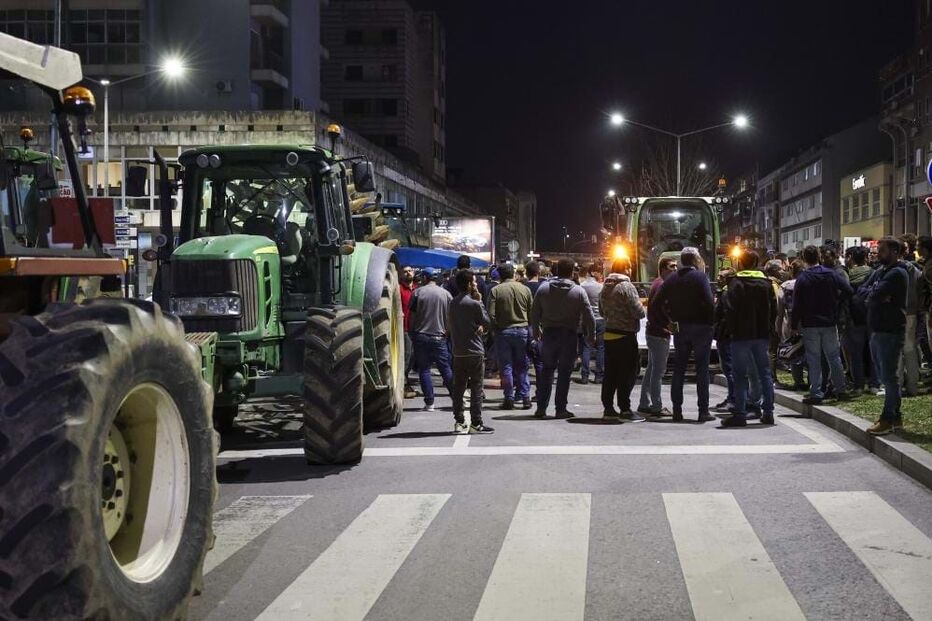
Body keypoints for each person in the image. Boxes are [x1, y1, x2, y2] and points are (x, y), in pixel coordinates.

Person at [652, 247, 716, 422]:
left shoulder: (672, 278)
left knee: (679, 369)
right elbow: (710, 303)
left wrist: (667, 322)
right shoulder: (701, 277)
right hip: (702, 328)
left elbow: (656, 303)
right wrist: (712, 323)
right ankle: (703, 411)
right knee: (702, 369)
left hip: (680, 328)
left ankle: (677, 411)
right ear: (696, 260)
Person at [530, 258, 596, 418]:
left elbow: (534, 311)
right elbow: (589, 315)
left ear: (556, 270)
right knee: (564, 373)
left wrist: (536, 329)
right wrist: (591, 334)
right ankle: (560, 409)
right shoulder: (578, 291)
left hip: (549, 334)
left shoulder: (543, 289)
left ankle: (541, 408)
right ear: (572, 272)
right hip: (569, 335)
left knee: (547, 371)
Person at [791, 245, 853, 405]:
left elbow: (796, 304)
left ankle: (816, 393)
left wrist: (793, 325)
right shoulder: (831, 274)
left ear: (804, 258)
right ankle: (841, 389)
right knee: (834, 357)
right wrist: (836, 302)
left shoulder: (803, 278)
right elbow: (848, 289)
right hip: (829, 321)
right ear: (818, 256)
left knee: (814, 358)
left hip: (810, 323)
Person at [721, 251, 777, 427]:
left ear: (740, 263)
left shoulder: (736, 283)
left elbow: (729, 310)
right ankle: (768, 412)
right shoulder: (767, 284)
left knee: (740, 375)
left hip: (740, 335)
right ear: (756, 262)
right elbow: (773, 310)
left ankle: (740, 413)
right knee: (765, 373)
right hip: (761, 335)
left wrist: (730, 330)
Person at [864, 238, 909, 435]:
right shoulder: (880, 271)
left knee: (889, 377)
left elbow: (873, 295)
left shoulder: (897, 273)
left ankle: (887, 419)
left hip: (890, 330)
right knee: (886, 376)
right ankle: (896, 417)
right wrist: (876, 294)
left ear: (894, 251)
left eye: (881, 250)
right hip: (878, 329)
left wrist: (875, 294)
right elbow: (862, 291)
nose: (878, 254)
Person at [448, 269, 494, 434]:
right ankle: (476, 423)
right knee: (476, 388)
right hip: (475, 351)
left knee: (458, 389)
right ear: (468, 284)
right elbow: (487, 322)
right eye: (473, 282)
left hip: (458, 351)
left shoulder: (452, 303)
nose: (475, 284)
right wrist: (480, 301)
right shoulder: (474, 303)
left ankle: (459, 421)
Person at [600, 258, 646, 420]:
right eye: (629, 267)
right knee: (627, 373)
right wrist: (641, 305)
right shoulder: (627, 286)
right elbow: (639, 312)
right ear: (625, 268)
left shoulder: (605, 287)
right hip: (625, 336)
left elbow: (601, 311)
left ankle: (608, 407)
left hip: (609, 335)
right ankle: (625, 408)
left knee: (610, 373)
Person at [488, 263, 533, 410]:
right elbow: (531, 312)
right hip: (522, 331)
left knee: (506, 367)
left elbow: (491, 314)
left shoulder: (496, 290)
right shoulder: (525, 289)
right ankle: (526, 397)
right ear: (513, 274)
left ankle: (509, 398)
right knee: (522, 366)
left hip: (504, 332)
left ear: (500, 275)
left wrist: (494, 329)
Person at [408, 267, 454, 411]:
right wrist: (448, 333)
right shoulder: (446, 295)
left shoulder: (417, 293)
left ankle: (429, 403)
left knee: (425, 370)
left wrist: (412, 332)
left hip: (421, 336)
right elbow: (451, 318)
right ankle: (456, 399)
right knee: (445, 369)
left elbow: (412, 316)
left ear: (424, 278)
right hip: (440, 337)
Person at [638, 256, 677, 417]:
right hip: (660, 333)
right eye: (671, 267)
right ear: (662, 269)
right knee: (658, 372)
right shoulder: (663, 285)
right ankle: (656, 405)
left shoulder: (657, 283)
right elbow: (662, 308)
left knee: (651, 370)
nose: (675, 269)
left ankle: (644, 402)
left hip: (653, 332)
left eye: (676, 266)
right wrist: (669, 324)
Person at [898, 234, 922, 397]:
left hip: (896, 314)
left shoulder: (890, 269)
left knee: (897, 351)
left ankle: (897, 386)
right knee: (910, 349)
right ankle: (913, 385)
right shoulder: (915, 270)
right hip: (912, 313)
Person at [578, 263, 605, 384]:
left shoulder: (581, 286)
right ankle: (598, 376)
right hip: (600, 319)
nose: (601, 275)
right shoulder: (600, 287)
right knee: (600, 348)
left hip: (586, 320)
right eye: (600, 272)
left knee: (586, 347)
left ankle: (584, 375)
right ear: (594, 272)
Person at [399, 265, 418, 399]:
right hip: (404, 327)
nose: (407, 273)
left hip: (417, 328)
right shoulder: (398, 289)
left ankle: (406, 380)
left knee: (413, 357)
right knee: (406, 355)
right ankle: (404, 384)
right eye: (405, 272)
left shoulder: (418, 289)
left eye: (410, 271)